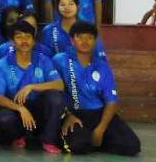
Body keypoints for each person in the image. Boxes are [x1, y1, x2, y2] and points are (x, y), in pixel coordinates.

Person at [56, 21, 141, 156]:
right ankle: (88, 140)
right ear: (72, 40)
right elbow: (53, 92)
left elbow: (111, 101)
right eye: (80, 37)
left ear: (95, 41)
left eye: (89, 37)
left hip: (98, 114)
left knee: (132, 146)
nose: (85, 41)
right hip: (74, 114)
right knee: (78, 146)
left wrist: (101, 129)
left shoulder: (102, 66)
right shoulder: (60, 61)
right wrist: (67, 115)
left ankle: (95, 140)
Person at [0, 20, 64, 153]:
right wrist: (20, 109)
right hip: (15, 108)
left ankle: (48, 140)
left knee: (55, 98)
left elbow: (59, 85)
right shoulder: (2, 64)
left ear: (34, 41)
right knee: (5, 118)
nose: (24, 41)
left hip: (39, 108)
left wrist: (32, 87)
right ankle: (19, 137)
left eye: (28, 37)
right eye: (19, 37)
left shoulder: (43, 59)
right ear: (12, 42)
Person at [40, 0, 107, 59]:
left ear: (78, 7)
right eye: (62, 5)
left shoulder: (89, 29)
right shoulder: (48, 30)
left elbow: (100, 59)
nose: (67, 8)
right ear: (57, 8)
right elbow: (44, 57)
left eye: (71, 4)